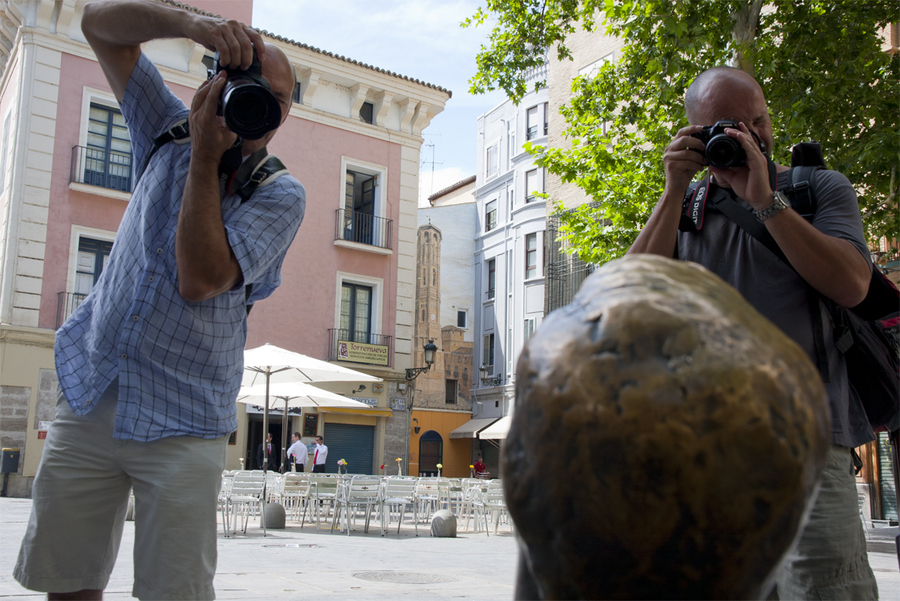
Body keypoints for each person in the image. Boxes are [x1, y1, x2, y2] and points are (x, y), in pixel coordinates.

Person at [13, 1, 305, 599]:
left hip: (185, 419)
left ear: (285, 113)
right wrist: (194, 26)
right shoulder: (166, 126)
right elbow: (98, 24)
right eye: (242, 85)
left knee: (173, 593)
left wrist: (204, 155)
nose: (255, 107)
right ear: (214, 78)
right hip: (94, 386)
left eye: (270, 100)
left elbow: (199, 278)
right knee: (65, 583)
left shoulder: (281, 195)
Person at [628, 66, 877, 599]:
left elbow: (853, 285)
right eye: (728, 126)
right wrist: (673, 191)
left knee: (825, 590)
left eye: (757, 120)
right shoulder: (688, 208)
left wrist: (768, 202)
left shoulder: (816, 189)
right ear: (697, 134)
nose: (750, 135)